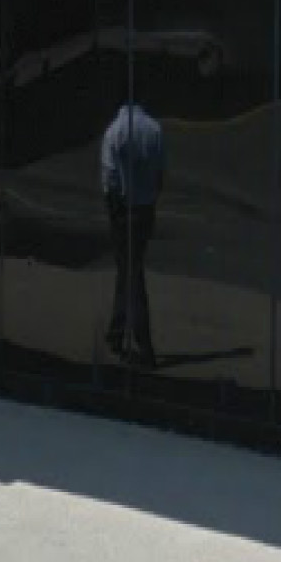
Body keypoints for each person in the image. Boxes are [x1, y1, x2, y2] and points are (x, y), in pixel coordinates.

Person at [101, 102, 165, 368]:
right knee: (129, 269)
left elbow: (110, 177)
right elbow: (160, 173)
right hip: (144, 209)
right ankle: (116, 331)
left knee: (130, 274)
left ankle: (143, 342)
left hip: (123, 209)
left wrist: (113, 210)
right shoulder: (155, 130)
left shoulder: (114, 131)